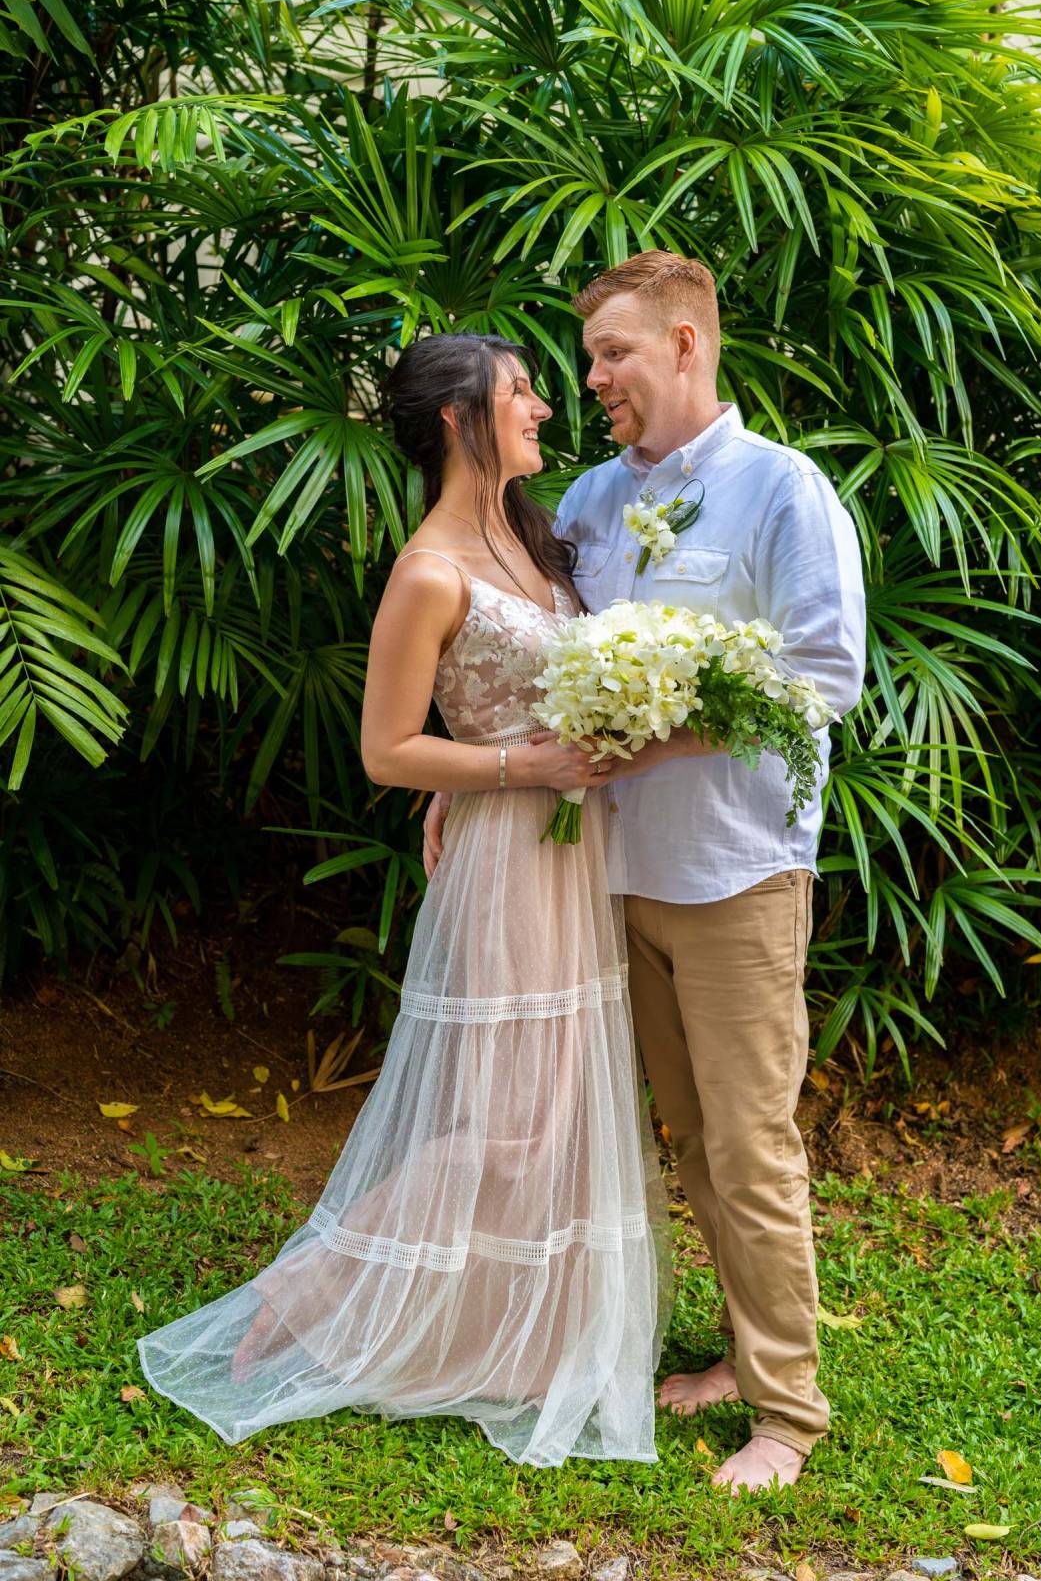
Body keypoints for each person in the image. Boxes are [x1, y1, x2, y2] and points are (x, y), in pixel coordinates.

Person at [136, 331, 672, 1469]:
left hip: (572, 849)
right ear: (454, 420)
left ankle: (516, 1340)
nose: (542, 405)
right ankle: (300, 1292)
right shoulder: (429, 569)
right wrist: (512, 767)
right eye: (519, 391)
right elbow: (386, 748)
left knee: (558, 1100)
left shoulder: (535, 537)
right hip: (508, 852)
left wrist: (553, 747)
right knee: (512, 1120)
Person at [424, 252, 867, 1493]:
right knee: (685, 1135)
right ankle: (735, 1352)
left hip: (734, 871)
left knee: (749, 1143)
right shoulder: (586, 499)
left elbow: (823, 674)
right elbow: (540, 661)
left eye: (611, 353)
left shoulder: (782, 490)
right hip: (609, 873)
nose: (592, 379)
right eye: (586, 359)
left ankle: (786, 1412)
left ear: (683, 343)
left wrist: (665, 735)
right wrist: (471, 773)